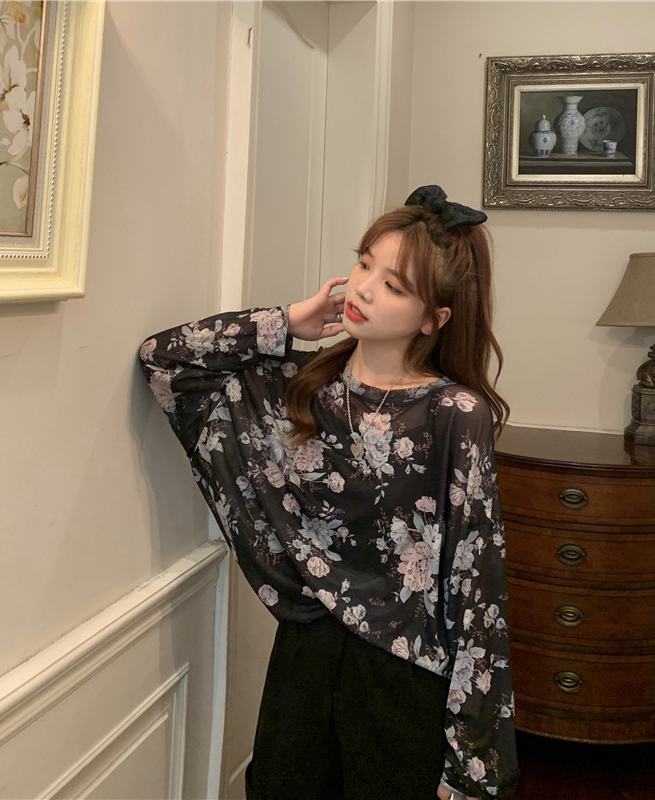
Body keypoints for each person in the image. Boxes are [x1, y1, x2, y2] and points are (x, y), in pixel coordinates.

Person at [139, 185, 519, 800]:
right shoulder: (298, 389)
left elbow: (475, 582)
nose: (364, 289)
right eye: (364, 264)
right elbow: (164, 361)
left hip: (403, 677)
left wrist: (470, 758)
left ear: (434, 319)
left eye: (394, 285)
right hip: (304, 659)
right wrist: (286, 321)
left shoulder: (453, 413)